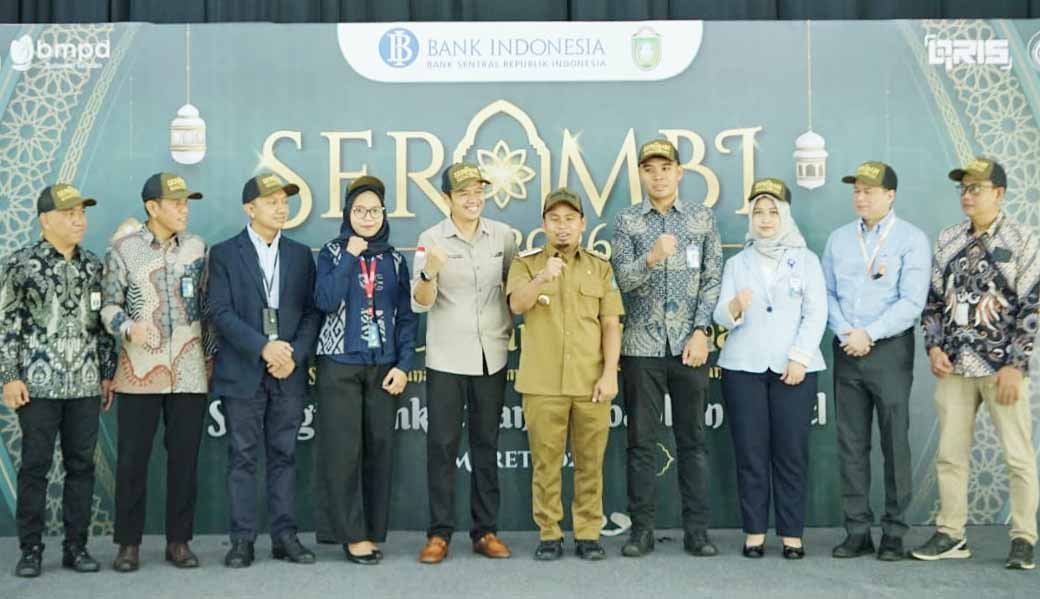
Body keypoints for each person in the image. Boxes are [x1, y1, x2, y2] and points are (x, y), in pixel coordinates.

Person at [911, 158, 1039, 570]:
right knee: (950, 455)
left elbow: (1032, 305)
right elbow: (933, 301)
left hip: (1002, 369)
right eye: (963, 188)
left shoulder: (1023, 239)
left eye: (976, 188)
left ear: (999, 193)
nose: (967, 195)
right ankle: (952, 533)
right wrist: (934, 347)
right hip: (955, 368)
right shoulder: (949, 238)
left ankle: (1024, 538)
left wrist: (1016, 364)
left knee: (1018, 456)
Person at [611, 139, 723, 557]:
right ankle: (641, 531)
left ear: (679, 172)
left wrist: (701, 330)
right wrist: (651, 258)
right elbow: (622, 281)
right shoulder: (627, 221)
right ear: (641, 174)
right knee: (641, 443)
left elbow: (712, 277)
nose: (658, 176)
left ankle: (698, 532)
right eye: (649, 169)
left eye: (665, 168)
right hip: (641, 347)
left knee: (693, 441)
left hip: (689, 347)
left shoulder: (700, 218)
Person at [206, 173, 322, 568]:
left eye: (284, 201)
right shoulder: (225, 253)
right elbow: (219, 310)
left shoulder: (300, 255)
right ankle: (242, 540)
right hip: (243, 371)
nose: (281, 207)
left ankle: (285, 537)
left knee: (284, 455)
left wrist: (293, 355)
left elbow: (312, 313)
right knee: (242, 457)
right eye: (271, 201)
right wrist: (262, 347)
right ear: (249, 208)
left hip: (288, 372)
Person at [2, 184, 115, 577]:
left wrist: (106, 373)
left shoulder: (93, 266)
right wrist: (9, 376)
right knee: (35, 467)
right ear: (45, 220)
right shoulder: (20, 264)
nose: (79, 220)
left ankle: (76, 547)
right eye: (69, 213)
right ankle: (30, 550)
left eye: (81, 213)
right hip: (37, 385)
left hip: (84, 384)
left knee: (81, 467)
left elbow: (102, 329)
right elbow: (6, 325)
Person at [506, 187, 624, 561]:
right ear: (543, 224)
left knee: (590, 464)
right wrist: (542, 277)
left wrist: (610, 373)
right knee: (546, 464)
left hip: (590, 382)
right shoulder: (526, 264)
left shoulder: (600, 267)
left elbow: (611, 324)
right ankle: (550, 533)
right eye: (554, 219)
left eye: (570, 219)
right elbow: (517, 304)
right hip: (543, 383)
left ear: (582, 223)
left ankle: (588, 533)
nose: (562, 226)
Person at [101, 172, 210, 572]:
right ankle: (128, 545)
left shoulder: (197, 248)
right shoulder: (123, 249)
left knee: (184, 461)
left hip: (189, 371)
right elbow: (108, 306)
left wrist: (210, 358)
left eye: (187, 202)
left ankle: (179, 542)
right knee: (132, 462)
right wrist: (128, 326)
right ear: (152, 207)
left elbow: (208, 308)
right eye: (176, 202)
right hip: (138, 372)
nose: (184, 209)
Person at [713, 178, 827, 560]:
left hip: (793, 369)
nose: (764, 219)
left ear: (785, 216)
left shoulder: (806, 260)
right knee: (750, 452)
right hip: (742, 366)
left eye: (772, 212)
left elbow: (816, 312)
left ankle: (792, 534)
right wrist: (734, 307)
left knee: (791, 452)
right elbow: (720, 314)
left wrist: (800, 357)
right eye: (758, 212)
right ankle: (755, 532)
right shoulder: (737, 263)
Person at [822, 161, 930, 561]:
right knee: (851, 444)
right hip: (847, 347)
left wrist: (869, 334)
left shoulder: (911, 239)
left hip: (889, 350)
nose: (860, 196)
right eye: (856, 190)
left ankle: (894, 533)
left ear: (890, 195)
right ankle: (856, 531)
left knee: (894, 442)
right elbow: (826, 293)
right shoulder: (839, 239)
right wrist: (846, 332)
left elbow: (912, 301)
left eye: (869, 190)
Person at [413, 163, 516, 564]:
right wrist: (429, 272)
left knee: (486, 444)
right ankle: (439, 534)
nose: (473, 199)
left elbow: (514, 290)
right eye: (463, 193)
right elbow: (420, 302)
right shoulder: (430, 239)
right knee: (442, 446)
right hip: (446, 358)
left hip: (492, 355)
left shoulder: (503, 236)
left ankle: (485, 531)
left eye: (478, 191)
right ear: (447, 198)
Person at [313, 176, 417, 564]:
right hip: (339, 363)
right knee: (343, 452)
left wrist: (404, 365)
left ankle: (371, 530)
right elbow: (325, 301)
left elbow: (407, 316)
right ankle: (351, 535)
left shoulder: (395, 259)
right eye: (360, 210)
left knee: (379, 449)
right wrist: (349, 257)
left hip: (382, 367)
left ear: (384, 214)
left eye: (374, 210)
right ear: (348, 214)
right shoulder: (332, 252)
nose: (368, 217)